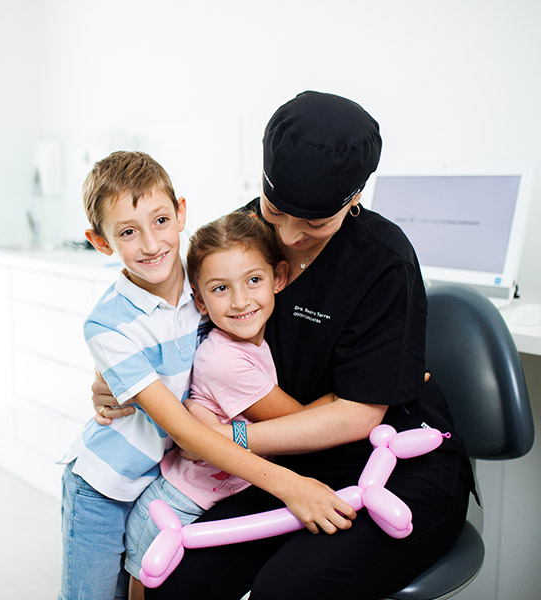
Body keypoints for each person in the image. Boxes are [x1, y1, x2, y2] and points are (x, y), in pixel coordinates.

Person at [95, 93, 475, 600]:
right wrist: (114, 380)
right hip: (288, 460)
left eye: (315, 223)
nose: (290, 236)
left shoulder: (383, 261)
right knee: (180, 581)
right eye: (276, 209)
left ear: (355, 198)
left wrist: (230, 438)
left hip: (397, 457)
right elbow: (166, 317)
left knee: (288, 589)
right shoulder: (240, 237)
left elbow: (358, 416)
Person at [58, 151, 355, 600]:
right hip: (103, 487)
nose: (151, 244)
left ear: (180, 213)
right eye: (128, 232)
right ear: (101, 242)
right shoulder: (106, 325)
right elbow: (185, 430)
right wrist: (291, 486)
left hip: (161, 477)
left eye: (160, 221)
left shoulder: (203, 285)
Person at [123, 212, 335, 599]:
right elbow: (304, 424)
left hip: (218, 498)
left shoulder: (250, 341)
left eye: (254, 280)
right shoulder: (225, 361)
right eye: (220, 288)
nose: (240, 301)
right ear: (200, 300)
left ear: (278, 278)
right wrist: (366, 389)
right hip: (177, 505)